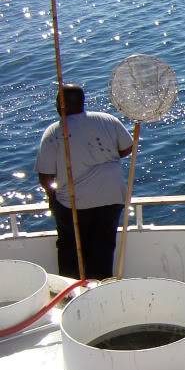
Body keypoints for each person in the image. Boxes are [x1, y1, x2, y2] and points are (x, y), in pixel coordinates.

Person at [34, 84, 133, 279]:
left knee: (71, 250)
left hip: (74, 203)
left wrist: (52, 196)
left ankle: (71, 292)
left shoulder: (55, 131)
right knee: (103, 248)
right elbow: (127, 148)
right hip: (112, 197)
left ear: (61, 104)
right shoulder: (108, 120)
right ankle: (101, 288)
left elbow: (45, 177)